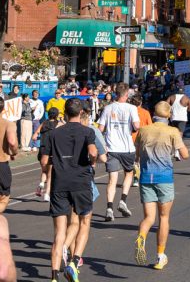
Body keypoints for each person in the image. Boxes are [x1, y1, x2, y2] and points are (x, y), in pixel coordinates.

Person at [40, 98, 98, 282]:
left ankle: (54, 276)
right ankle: (74, 261)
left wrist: (49, 170)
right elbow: (94, 152)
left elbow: (43, 161)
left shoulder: (53, 134)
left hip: (60, 182)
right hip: (80, 181)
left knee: (59, 232)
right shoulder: (88, 131)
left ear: (64, 113)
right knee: (84, 221)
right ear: (81, 113)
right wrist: (92, 164)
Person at [134, 102, 187, 270]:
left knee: (149, 217)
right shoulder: (172, 131)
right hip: (164, 177)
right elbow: (185, 155)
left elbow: (137, 153)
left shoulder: (143, 130)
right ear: (169, 115)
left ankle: (141, 237)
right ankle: (160, 256)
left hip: (146, 177)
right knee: (163, 218)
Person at [98, 83, 140, 222]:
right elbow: (137, 126)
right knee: (129, 173)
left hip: (112, 148)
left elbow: (101, 128)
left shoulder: (108, 108)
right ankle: (123, 200)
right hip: (127, 147)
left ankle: (109, 208)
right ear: (126, 95)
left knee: (112, 179)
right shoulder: (132, 108)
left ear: (116, 93)